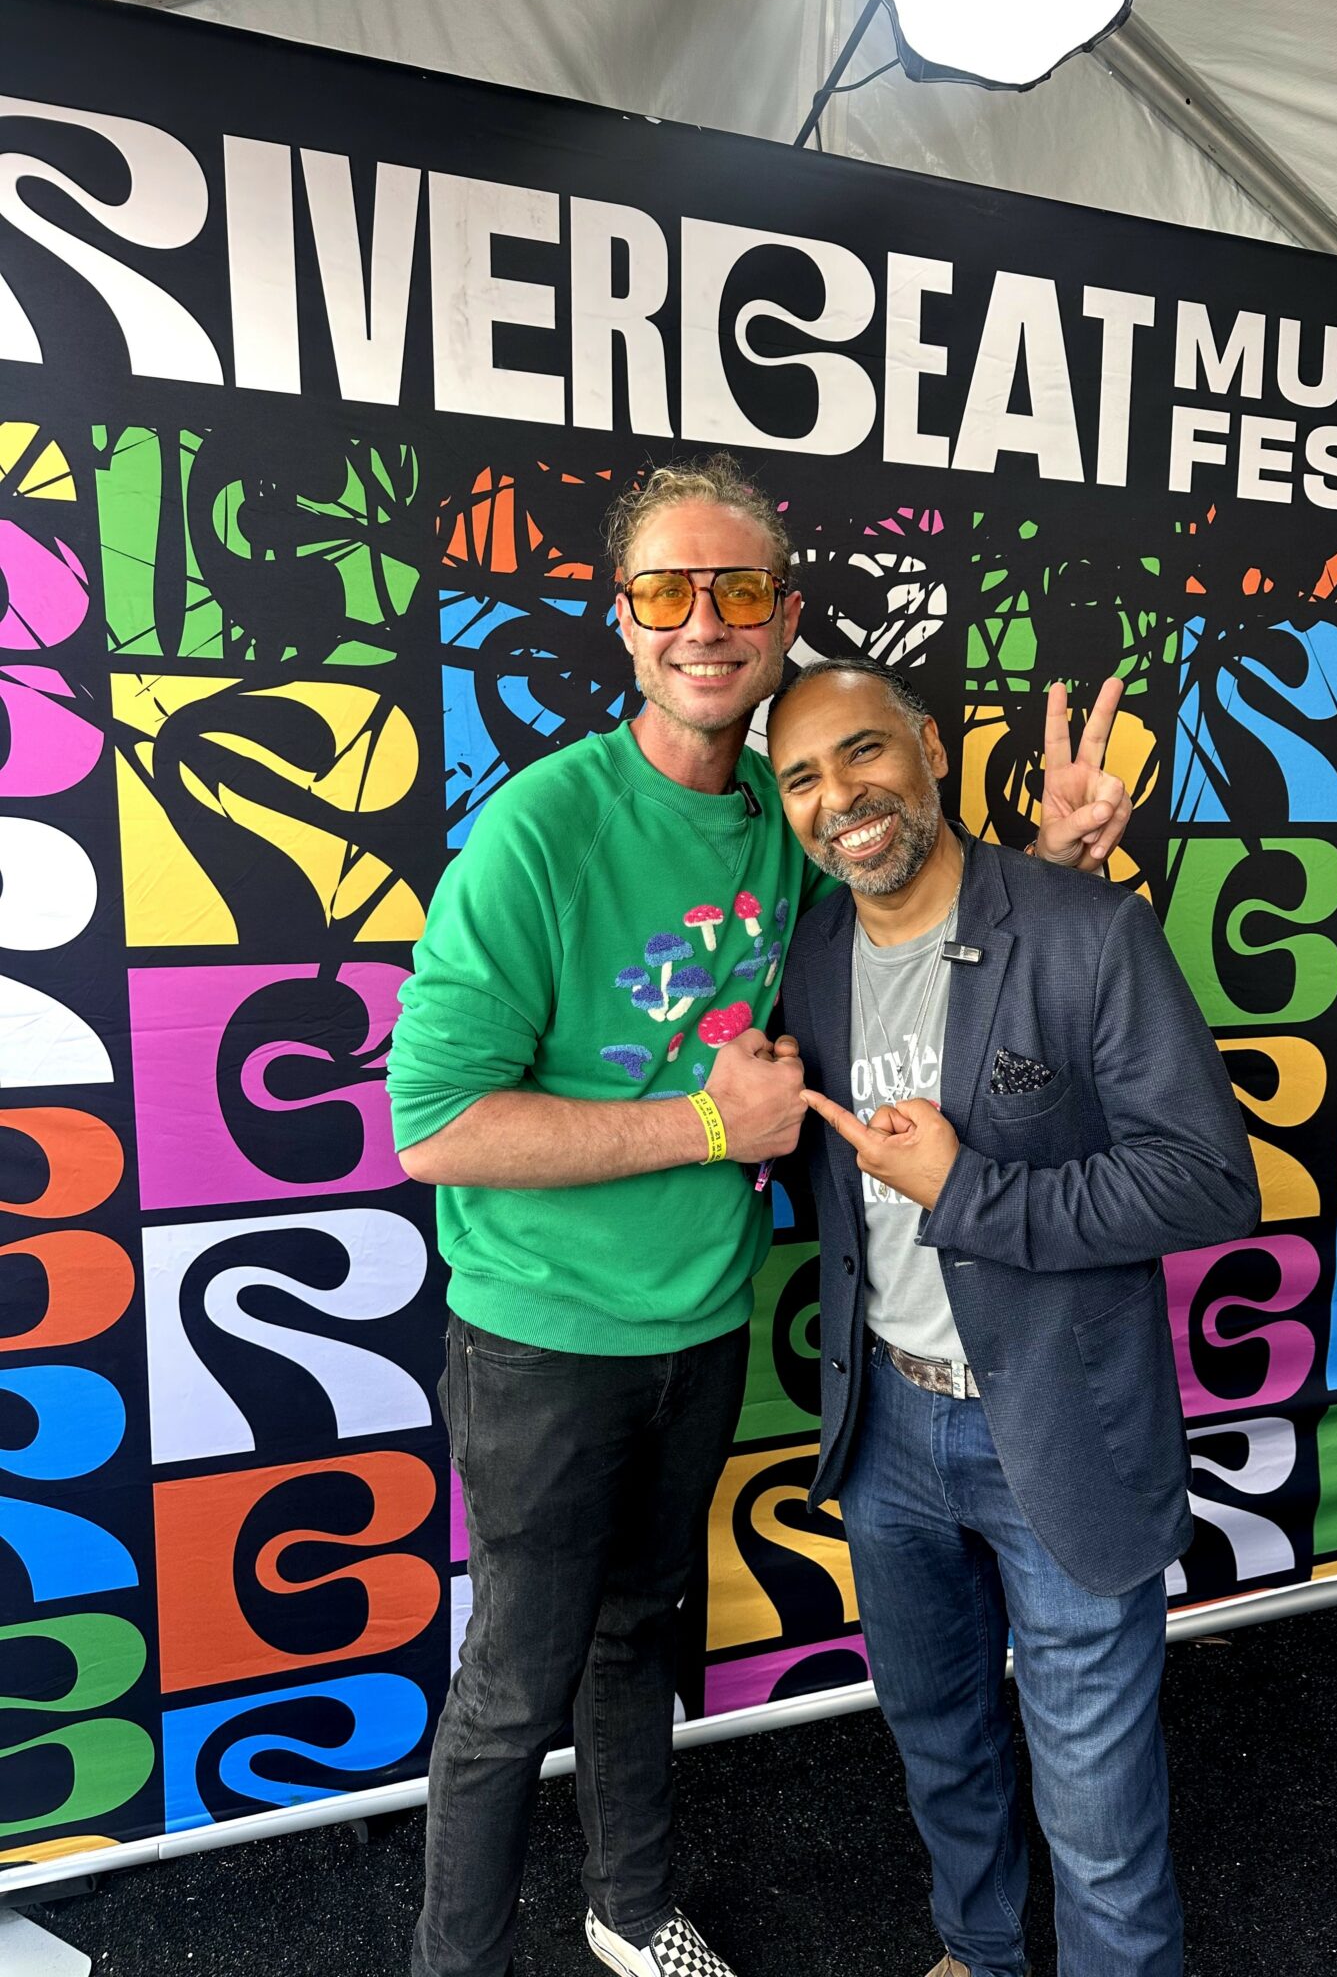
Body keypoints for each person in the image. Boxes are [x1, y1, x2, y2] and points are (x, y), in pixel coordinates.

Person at [387, 454, 1130, 1977]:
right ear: (623, 619)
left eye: (737, 589)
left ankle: (632, 1908)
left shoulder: (795, 824)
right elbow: (435, 1125)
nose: (703, 621)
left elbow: (921, 949)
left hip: (709, 1322)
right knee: (512, 1686)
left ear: (785, 613)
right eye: (668, 590)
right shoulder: (545, 828)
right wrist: (707, 1125)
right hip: (542, 1340)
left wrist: (1053, 873)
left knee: (640, 1633)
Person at [767, 659, 1261, 1977]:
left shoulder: (1087, 928)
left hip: (1058, 1436)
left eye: (864, 754)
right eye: (803, 778)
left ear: (927, 747)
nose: (840, 799)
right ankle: (979, 1956)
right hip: (884, 1435)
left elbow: (1210, 1179)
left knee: (1097, 1821)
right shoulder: (810, 957)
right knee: (942, 1750)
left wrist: (968, 1189)